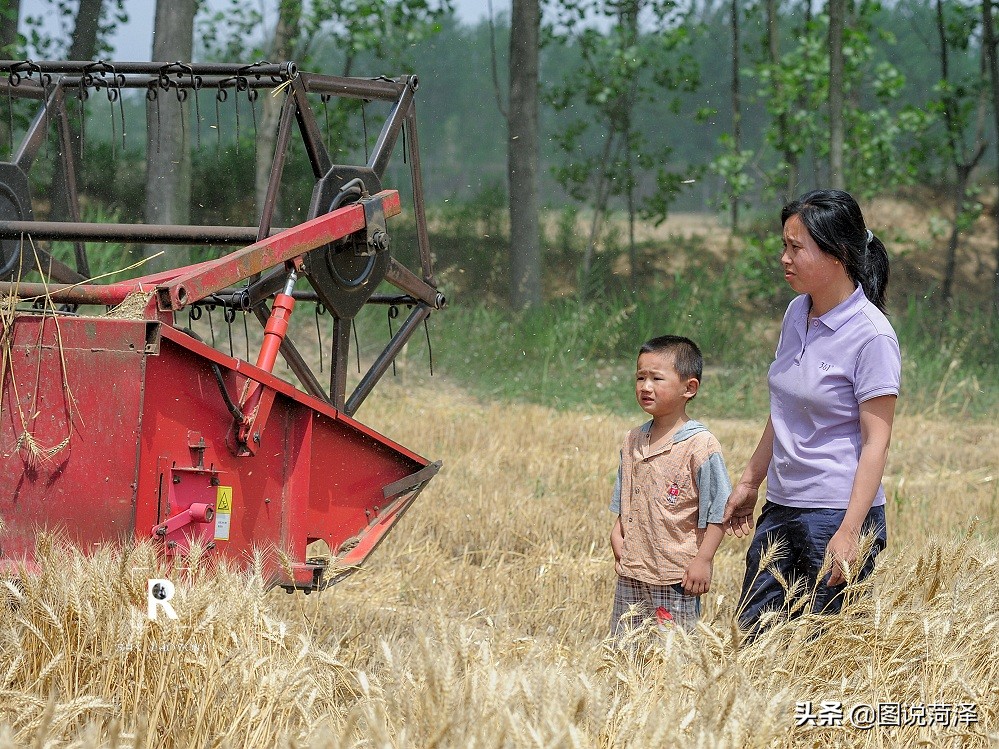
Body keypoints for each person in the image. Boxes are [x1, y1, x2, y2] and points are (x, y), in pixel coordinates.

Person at [723, 189, 901, 636]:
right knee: (754, 637)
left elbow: (876, 443)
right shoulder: (795, 313)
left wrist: (849, 531)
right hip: (783, 506)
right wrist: (749, 481)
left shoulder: (873, 336)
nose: (784, 258)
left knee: (827, 654)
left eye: (796, 247)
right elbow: (783, 407)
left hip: (835, 513)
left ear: (838, 254)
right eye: (784, 245)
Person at [609, 335, 733, 635]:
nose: (645, 387)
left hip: (676, 576)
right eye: (640, 377)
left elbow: (720, 510)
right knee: (626, 651)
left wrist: (703, 560)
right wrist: (617, 534)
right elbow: (624, 499)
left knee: (674, 656)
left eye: (656, 378)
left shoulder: (700, 446)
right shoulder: (633, 440)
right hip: (633, 573)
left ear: (689, 388)